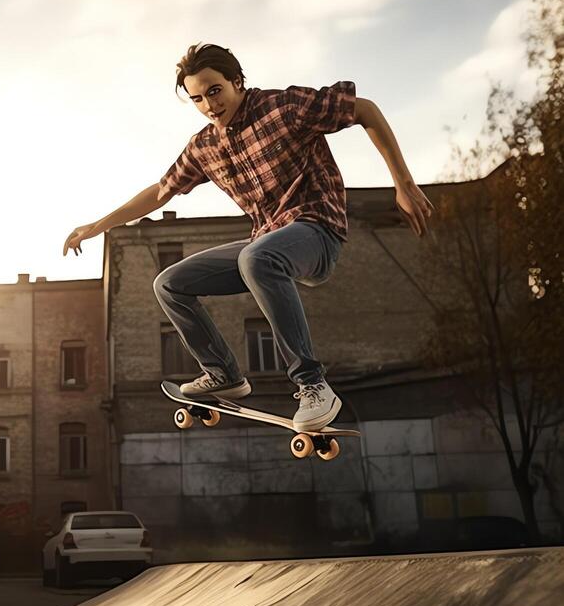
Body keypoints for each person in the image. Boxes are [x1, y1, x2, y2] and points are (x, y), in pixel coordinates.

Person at [62, 42, 433, 432]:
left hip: (317, 232)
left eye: (215, 91)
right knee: (170, 283)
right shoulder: (205, 147)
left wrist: (403, 183)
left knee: (256, 258)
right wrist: (98, 225)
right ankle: (223, 374)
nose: (209, 105)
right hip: (266, 244)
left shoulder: (283, 107)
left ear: (236, 81)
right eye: (197, 99)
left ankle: (313, 384)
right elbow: (160, 192)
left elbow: (364, 110)